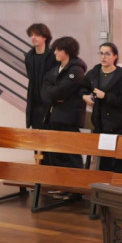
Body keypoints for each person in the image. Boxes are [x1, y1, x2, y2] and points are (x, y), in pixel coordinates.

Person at [81, 42, 122, 173]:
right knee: (103, 162)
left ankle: (120, 190)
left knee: (120, 163)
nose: (103, 57)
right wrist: (84, 96)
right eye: (101, 53)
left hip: (118, 124)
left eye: (107, 54)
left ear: (115, 56)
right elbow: (81, 87)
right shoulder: (94, 72)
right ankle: (103, 190)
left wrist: (106, 96)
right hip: (100, 124)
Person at [40, 36, 87, 169]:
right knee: (56, 153)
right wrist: (53, 95)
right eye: (55, 50)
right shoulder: (55, 69)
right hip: (54, 116)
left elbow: (62, 91)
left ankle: (75, 186)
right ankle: (60, 185)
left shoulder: (76, 70)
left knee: (70, 153)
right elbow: (44, 91)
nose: (55, 52)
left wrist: (53, 94)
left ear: (68, 51)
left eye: (59, 50)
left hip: (68, 117)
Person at [24, 23, 56, 129]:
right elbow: (30, 77)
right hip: (35, 102)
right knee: (35, 138)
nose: (33, 38)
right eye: (31, 35)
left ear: (45, 37)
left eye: (36, 35)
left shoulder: (53, 56)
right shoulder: (29, 56)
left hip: (49, 102)